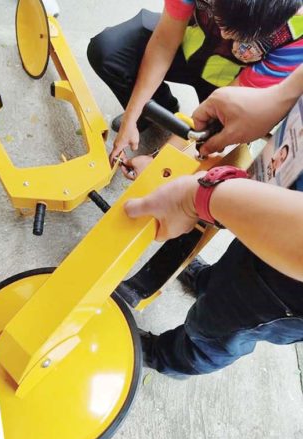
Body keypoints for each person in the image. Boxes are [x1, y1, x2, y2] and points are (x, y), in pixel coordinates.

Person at [124, 64, 303, 377]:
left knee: (221, 326)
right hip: (284, 190)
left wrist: (201, 198)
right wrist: (280, 97)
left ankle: (170, 357)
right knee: (239, 262)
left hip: (292, 284)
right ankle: (209, 282)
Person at [87, 0, 303, 179]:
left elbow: (224, 111)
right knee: (107, 50)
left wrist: (158, 162)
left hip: (232, 85)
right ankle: (159, 110)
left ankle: (167, 130)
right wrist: (131, 116)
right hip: (189, 47)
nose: (226, 36)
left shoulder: (296, 35)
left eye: (241, 35)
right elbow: (163, 43)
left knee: (212, 145)